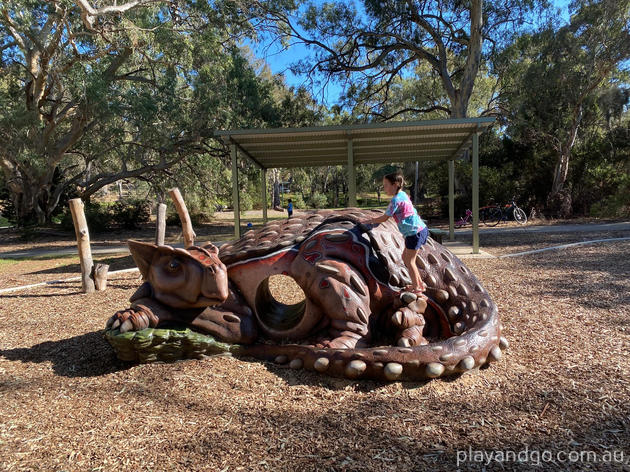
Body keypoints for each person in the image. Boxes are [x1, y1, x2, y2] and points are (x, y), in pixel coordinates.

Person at [362, 172, 428, 294]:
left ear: (396, 184)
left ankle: (417, 288)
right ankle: (418, 283)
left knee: (410, 261)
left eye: (386, 185)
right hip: (419, 230)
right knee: (406, 258)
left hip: (414, 233)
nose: (384, 188)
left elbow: (385, 218)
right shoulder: (403, 194)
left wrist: (370, 221)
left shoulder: (396, 200)